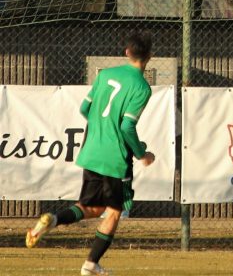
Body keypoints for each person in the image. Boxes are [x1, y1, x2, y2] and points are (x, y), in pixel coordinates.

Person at [26, 31, 156, 275]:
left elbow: (85, 108)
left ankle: (51, 221)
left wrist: (99, 129)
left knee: (92, 208)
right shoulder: (142, 87)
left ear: (127, 52)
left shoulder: (105, 75)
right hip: (115, 158)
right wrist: (143, 155)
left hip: (92, 151)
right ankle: (90, 264)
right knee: (116, 211)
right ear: (150, 55)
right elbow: (127, 126)